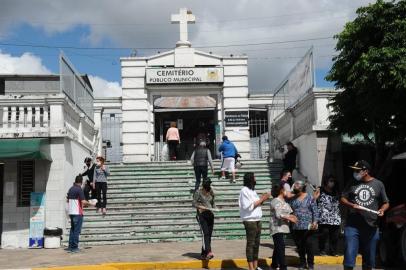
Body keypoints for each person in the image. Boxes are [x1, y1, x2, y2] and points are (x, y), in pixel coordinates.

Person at [341, 160, 389, 270]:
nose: (355, 172)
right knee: (349, 256)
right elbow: (343, 198)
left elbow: (386, 202)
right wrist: (351, 205)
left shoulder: (378, 184)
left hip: (371, 226)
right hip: (353, 225)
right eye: (354, 170)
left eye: (357, 170)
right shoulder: (351, 183)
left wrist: (382, 209)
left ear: (366, 171)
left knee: (369, 260)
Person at [239, 172, 270, 270]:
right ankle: (251, 267)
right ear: (250, 179)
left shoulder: (252, 191)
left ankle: (256, 266)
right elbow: (249, 207)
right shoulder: (244, 191)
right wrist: (262, 199)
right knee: (251, 244)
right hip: (250, 220)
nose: (255, 179)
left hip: (257, 219)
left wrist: (262, 199)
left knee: (256, 244)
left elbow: (257, 204)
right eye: (254, 177)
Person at [290, 180, 319, 270]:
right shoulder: (293, 199)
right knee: (300, 246)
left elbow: (315, 211)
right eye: (294, 185)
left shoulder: (310, 197)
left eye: (297, 185)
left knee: (309, 245)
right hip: (296, 226)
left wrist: (315, 222)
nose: (295, 186)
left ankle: (310, 264)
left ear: (302, 187)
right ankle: (302, 263)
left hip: (309, 226)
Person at [269, 184, 298, 270]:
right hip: (276, 227)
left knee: (278, 246)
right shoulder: (275, 201)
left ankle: (274, 265)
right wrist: (289, 217)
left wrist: (293, 217)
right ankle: (283, 267)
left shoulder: (284, 201)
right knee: (281, 247)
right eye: (285, 189)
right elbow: (279, 214)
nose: (287, 191)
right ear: (281, 191)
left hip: (283, 227)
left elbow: (289, 212)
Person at [313, 175, 341, 256]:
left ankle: (333, 251)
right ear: (326, 181)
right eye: (331, 181)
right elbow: (313, 199)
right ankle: (322, 250)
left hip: (335, 216)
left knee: (335, 235)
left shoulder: (336, 191)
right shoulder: (320, 190)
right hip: (323, 217)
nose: (332, 183)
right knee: (323, 234)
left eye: (333, 181)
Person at [66, 175, 95, 252]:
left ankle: (70, 246)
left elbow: (67, 200)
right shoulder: (79, 190)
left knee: (72, 229)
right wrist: (91, 204)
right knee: (76, 231)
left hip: (71, 212)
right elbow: (83, 201)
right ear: (81, 182)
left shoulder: (71, 189)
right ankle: (75, 247)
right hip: (77, 213)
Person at [192, 178, 217, 260]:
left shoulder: (211, 191)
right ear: (203, 184)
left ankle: (204, 253)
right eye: (207, 184)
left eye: (209, 184)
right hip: (201, 215)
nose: (208, 186)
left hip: (210, 214)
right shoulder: (198, 192)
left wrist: (215, 208)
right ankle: (209, 251)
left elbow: (213, 203)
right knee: (205, 233)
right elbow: (194, 203)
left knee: (209, 234)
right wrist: (201, 207)